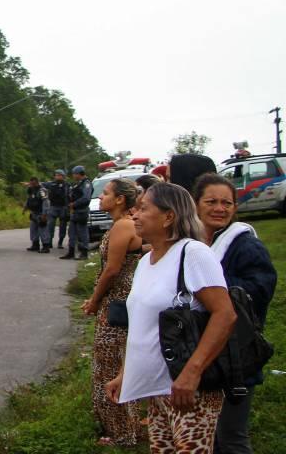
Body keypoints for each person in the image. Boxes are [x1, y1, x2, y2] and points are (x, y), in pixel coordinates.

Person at [105, 183, 237, 454]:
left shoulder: (193, 254)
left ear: (168, 217)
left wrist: (191, 373)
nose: (134, 215)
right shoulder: (146, 262)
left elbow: (225, 315)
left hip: (188, 390)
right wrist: (124, 373)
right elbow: (142, 325)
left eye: (143, 208)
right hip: (157, 390)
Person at [192, 173, 277, 454]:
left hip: (235, 354)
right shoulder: (193, 243)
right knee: (208, 435)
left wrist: (212, 286)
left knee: (231, 437)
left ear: (235, 208)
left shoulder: (245, 245)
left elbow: (260, 289)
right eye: (211, 202)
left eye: (226, 203)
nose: (220, 208)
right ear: (196, 204)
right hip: (201, 349)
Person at [81, 178, 143, 447]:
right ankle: (127, 426)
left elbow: (112, 270)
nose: (100, 197)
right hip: (122, 299)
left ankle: (121, 433)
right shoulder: (127, 224)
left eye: (105, 193)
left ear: (119, 199)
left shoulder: (122, 225)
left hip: (117, 302)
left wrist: (95, 300)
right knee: (119, 361)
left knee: (108, 365)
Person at [60, 165, 92, 260]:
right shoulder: (78, 184)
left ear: (79, 174)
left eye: (74, 174)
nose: (73, 176)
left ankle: (84, 252)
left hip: (82, 211)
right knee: (71, 232)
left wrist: (74, 203)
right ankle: (71, 252)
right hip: (75, 211)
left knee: (82, 233)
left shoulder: (86, 184)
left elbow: (86, 198)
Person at [22, 177, 51, 253]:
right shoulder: (31, 189)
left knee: (43, 229)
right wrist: (25, 208)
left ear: (37, 183)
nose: (32, 185)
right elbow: (29, 199)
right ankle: (35, 245)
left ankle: (46, 246)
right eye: (31, 183)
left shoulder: (42, 190)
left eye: (33, 183)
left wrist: (44, 214)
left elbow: (45, 202)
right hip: (34, 212)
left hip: (41, 213)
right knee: (33, 229)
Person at [44, 169, 70, 249]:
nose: (58, 177)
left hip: (63, 207)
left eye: (59, 175)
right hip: (53, 206)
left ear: (63, 176)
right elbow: (41, 184)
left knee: (63, 226)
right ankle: (49, 242)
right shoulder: (51, 184)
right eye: (56, 175)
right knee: (50, 225)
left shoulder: (67, 185)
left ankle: (60, 242)